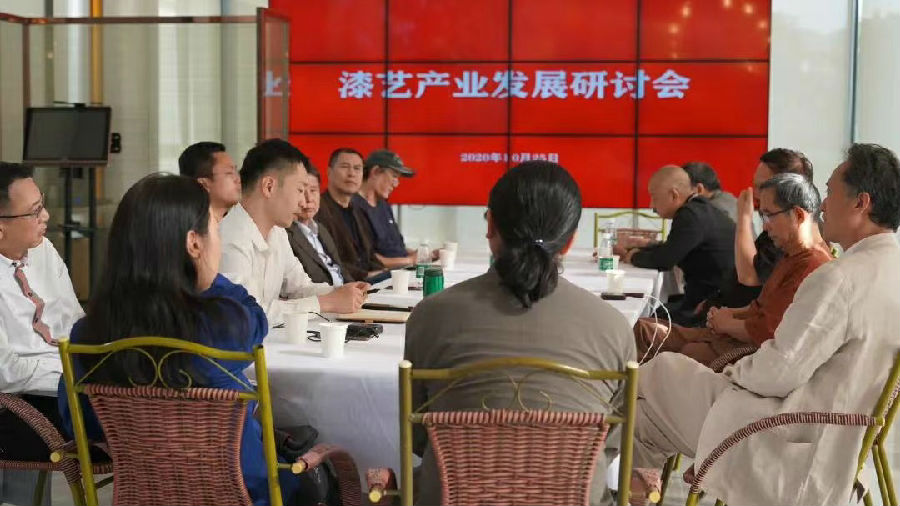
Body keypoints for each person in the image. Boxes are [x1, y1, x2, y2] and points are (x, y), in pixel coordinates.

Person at [631, 143, 900, 506]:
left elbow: (777, 372)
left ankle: (594, 478)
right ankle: (632, 490)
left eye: (831, 193)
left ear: (860, 203)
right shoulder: (890, 271)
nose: (823, 205)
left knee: (656, 373)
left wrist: (730, 373)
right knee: (646, 416)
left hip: (784, 441)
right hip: (842, 441)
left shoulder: (840, 278)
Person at [56, 173, 310, 506]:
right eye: (215, 226)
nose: (219, 237)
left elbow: (78, 423)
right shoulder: (222, 325)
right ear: (194, 243)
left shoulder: (87, 335)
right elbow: (256, 315)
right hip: (244, 494)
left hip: (141, 495)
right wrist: (207, 273)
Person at [405, 160, 636, 506]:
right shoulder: (613, 326)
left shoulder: (430, 315)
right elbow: (609, 442)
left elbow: (418, 436)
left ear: (490, 226)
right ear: (570, 241)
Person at [633, 173, 832, 366]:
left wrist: (726, 323)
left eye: (769, 215)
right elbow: (760, 307)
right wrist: (729, 314)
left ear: (798, 215)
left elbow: (768, 331)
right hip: (726, 333)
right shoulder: (791, 254)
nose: (765, 227)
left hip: (742, 351)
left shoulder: (811, 265)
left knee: (681, 349)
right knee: (643, 329)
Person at [219, 139, 368, 324]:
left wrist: (341, 292)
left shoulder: (277, 232)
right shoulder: (230, 237)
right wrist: (327, 302)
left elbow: (299, 287)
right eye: (299, 190)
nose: (303, 201)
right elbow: (245, 314)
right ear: (269, 187)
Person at [0, 162, 83, 463]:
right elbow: (5, 373)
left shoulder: (43, 250)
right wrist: (68, 376)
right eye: (34, 211)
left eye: (42, 205)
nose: (46, 216)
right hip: (21, 405)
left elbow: (75, 323)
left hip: (67, 387)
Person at [700, 148, 818, 316]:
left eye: (762, 186)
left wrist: (744, 217)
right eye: (755, 185)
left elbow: (749, 278)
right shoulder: (776, 226)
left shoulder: (793, 235)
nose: (755, 193)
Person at [614, 165, 735, 326]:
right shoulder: (700, 209)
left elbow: (664, 260)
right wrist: (637, 249)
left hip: (708, 306)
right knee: (655, 310)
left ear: (674, 195)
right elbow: (672, 248)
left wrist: (632, 256)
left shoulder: (689, 215)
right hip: (713, 297)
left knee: (643, 321)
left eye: (654, 197)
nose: (651, 206)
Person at [316, 148, 387, 280]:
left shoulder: (359, 211)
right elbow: (325, 259)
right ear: (329, 172)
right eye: (345, 167)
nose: (351, 174)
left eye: (357, 168)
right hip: (343, 283)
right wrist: (366, 275)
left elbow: (369, 255)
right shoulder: (317, 209)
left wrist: (384, 272)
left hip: (370, 281)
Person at [285, 162, 355, 286]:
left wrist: (357, 288)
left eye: (313, 190)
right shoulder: (284, 233)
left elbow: (340, 269)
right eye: (301, 191)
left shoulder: (320, 229)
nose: (309, 198)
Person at [353, 149, 422, 269]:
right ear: (375, 171)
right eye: (394, 176)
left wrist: (422, 255)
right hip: (383, 274)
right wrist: (410, 260)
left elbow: (392, 247)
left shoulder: (383, 205)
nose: (396, 184)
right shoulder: (354, 207)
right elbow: (369, 258)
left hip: (403, 269)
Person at [178, 141, 242, 220]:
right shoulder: (189, 226)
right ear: (203, 184)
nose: (238, 179)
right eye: (229, 173)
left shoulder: (232, 223)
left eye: (236, 171)